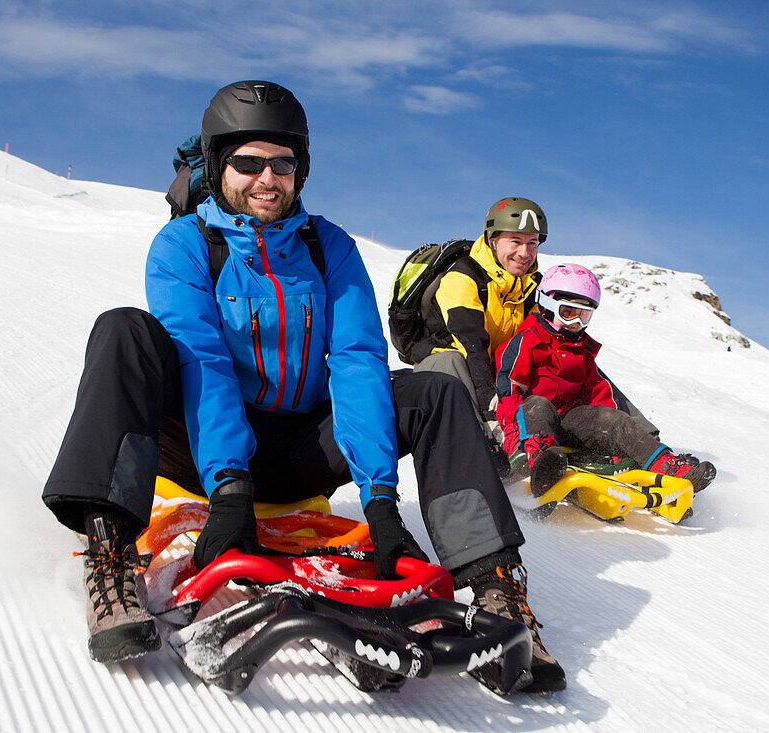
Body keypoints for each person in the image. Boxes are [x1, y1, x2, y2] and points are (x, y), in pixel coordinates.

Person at [41, 81, 563, 692]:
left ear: (301, 171)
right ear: (217, 167)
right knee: (123, 331)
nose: (267, 178)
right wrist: (231, 487)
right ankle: (109, 557)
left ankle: (498, 590)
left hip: (301, 450)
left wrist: (379, 502)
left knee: (435, 393)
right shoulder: (184, 247)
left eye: (282, 164)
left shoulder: (328, 247)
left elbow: (357, 362)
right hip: (202, 447)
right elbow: (202, 362)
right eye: (247, 163)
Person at [494, 263, 717, 496]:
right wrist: (513, 437)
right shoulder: (525, 342)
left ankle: (666, 467)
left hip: (569, 420)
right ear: (547, 306)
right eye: (567, 313)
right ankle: (543, 462)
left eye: (583, 316)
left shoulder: (582, 350)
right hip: (530, 426)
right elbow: (509, 393)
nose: (575, 323)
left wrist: (612, 436)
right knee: (537, 405)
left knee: (616, 419)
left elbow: (598, 392)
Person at [412, 198, 545, 439]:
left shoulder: (529, 288)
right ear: (493, 240)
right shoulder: (463, 277)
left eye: (532, 243)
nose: (524, 253)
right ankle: (477, 451)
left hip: (488, 371)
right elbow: (471, 344)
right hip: (441, 371)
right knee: (452, 362)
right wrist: (492, 412)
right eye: (515, 241)